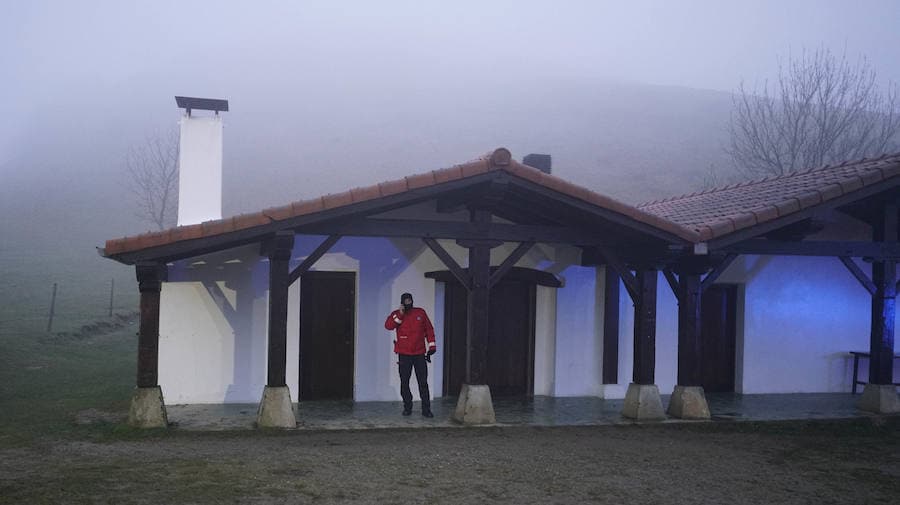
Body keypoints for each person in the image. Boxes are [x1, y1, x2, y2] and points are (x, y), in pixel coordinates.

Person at [384, 292, 436, 417]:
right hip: (404, 355)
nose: (408, 303)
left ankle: (426, 410)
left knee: (423, 383)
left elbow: (429, 329)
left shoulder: (420, 313)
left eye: (410, 300)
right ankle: (407, 407)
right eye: (406, 301)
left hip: (419, 354)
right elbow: (389, 326)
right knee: (404, 382)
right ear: (402, 302)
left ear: (412, 300)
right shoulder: (397, 314)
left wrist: (432, 346)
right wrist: (400, 314)